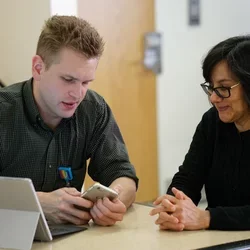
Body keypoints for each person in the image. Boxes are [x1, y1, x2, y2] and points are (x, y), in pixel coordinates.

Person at [0, 15, 138, 227]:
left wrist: (116, 199)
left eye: (86, 82)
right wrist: (38, 203)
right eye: (68, 80)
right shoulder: (4, 111)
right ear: (38, 68)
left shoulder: (93, 109)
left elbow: (122, 173)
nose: (77, 93)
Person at [150, 35, 250, 231]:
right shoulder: (212, 122)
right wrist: (173, 204)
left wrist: (207, 218)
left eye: (224, 88)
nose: (214, 98)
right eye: (212, 88)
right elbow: (188, 177)